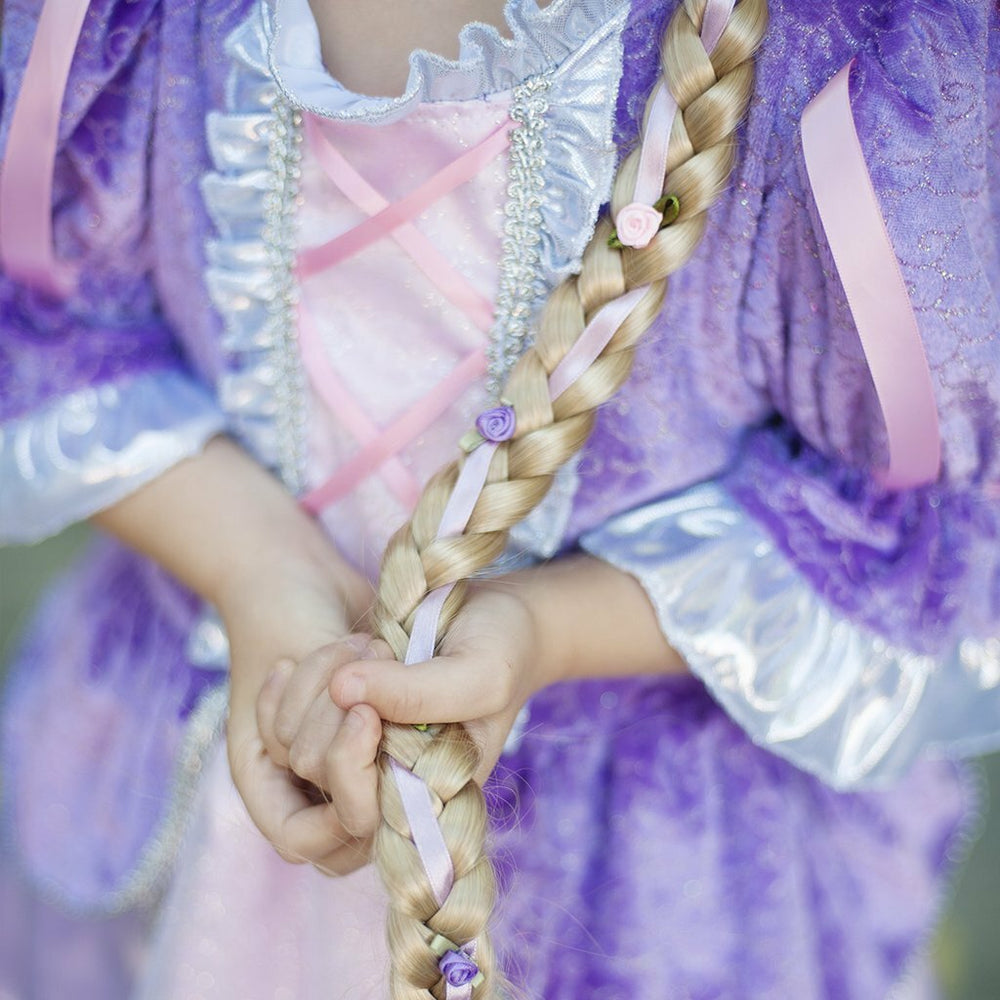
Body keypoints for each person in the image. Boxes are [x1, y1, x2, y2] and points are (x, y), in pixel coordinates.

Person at [1, 0, 997, 997]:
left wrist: (542, 632)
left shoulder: (846, 62)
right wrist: (256, 566)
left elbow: (917, 533)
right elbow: (50, 329)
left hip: (644, 890)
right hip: (197, 766)